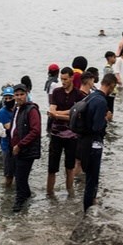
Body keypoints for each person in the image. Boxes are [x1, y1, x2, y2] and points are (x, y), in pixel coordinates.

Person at [80, 73, 116, 212]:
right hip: (94, 143)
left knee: (90, 177)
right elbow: (97, 127)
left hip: (84, 141)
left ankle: (90, 206)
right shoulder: (101, 101)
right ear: (111, 85)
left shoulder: (91, 95)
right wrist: (106, 118)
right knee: (92, 179)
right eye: (114, 86)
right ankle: (88, 211)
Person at [46, 68, 81, 197]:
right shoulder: (56, 92)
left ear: (72, 78)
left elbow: (77, 116)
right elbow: (51, 111)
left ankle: (70, 193)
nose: (63, 81)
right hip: (56, 134)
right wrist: (68, 113)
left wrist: (58, 114)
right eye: (62, 79)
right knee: (52, 168)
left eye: (65, 79)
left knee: (69, 167)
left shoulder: (78, 94)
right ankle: (49, 193)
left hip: (72, 135)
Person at [10, 83, 41, 212]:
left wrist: (20, 144)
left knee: (20, 177)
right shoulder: (17, 109)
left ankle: (19, 202)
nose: (19, 97)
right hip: (17, 149)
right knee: (20, 176)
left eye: (22, 94)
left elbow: (36, 130)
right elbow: (15, 128)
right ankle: (27, 195)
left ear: (27, 95)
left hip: (26, 150)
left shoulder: (31, 110)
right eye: (16, 95)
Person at [0, 89, 16, 187]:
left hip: (18, 144)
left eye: (10, 98)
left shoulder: (18, 108)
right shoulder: (2, 112)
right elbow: (8, 126)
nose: (8, 100)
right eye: (6, 98)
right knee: (8, 175)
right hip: (7, 145)